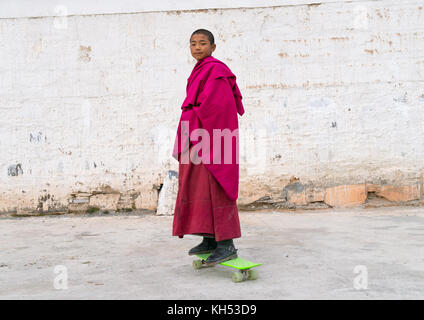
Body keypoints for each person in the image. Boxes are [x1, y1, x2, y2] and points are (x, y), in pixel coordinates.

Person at [171, 29, 245, 265]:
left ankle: (227, 244)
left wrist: (192, 117)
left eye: (203, 43)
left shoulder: (217, 71)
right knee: (199, 188)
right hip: (197, 137)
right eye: (193, 43)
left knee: (217, 186)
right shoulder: (199, 70)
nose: (197, 47)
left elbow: (219, 108)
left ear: (213, 47)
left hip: (214, 138)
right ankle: (210, 238)